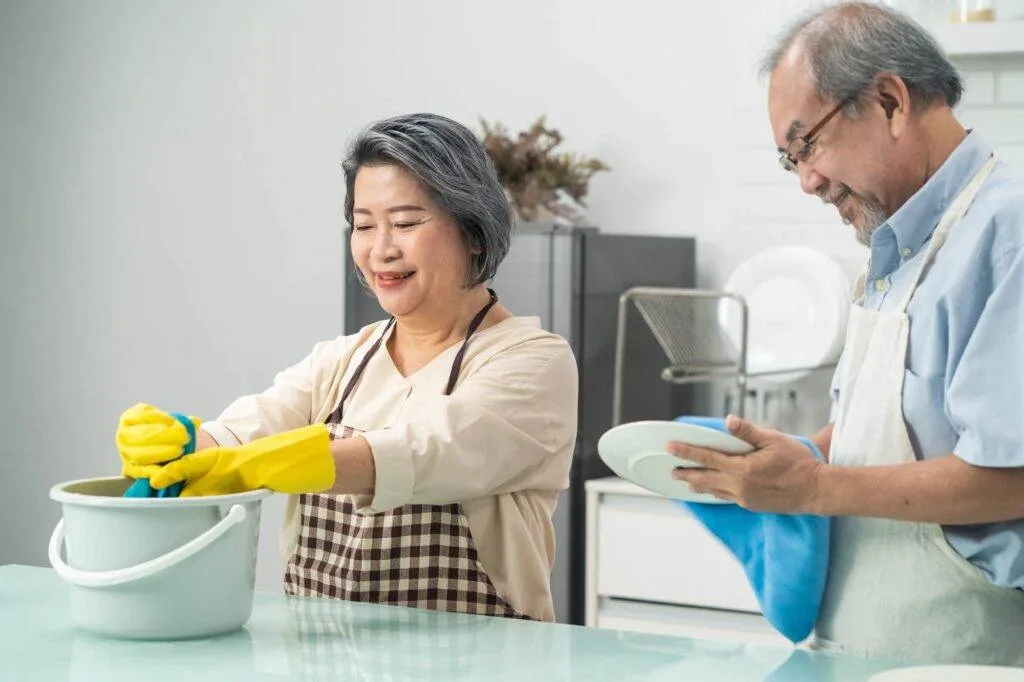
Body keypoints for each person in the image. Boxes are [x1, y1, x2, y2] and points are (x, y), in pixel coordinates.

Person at [669, 2, 1024, 665]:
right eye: (788, 160)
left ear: (890, 101)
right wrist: (802, 451)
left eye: (807, 145)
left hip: (967, 656)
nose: (807, 180)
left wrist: (815, 488)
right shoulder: (895, 252)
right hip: (866, 646)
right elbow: (904, 428)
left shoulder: (1008, 236)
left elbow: (1011, 474)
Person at [117, 113, 579, 622]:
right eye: (363, 225)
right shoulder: (341, 361)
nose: (380, 248)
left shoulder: (533, 362)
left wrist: (269, 466)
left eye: (405, 223)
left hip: (477, 663)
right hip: (321, 659)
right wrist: (183, 444)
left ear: (473, 232)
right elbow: (243, 434)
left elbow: (432, 450)